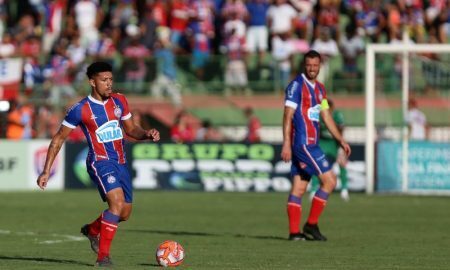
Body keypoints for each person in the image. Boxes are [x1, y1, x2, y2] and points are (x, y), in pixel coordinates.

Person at [36, 62, 160, 267]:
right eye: (104, 80)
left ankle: (92, 230)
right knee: (116, 205)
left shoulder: (120, 101)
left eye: (111, 79)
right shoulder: (80, 109)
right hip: (99, 162)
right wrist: (46, 171)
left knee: (124, 213)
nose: (109, 84)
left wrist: (146, 134)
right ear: (92, 82)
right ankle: (103, 257)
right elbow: (58, 139)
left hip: (121, 162)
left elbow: (131, 129)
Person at [281, 50, 351, 241]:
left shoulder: (320, 89)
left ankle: (295, 233)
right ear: (304, 65)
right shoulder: (296, 86)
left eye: (315, 65)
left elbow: (326, 116)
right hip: (304, 144)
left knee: (299, 188)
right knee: (330, 181)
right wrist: (286, 143)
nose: (312, 68)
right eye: (309, 65)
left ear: (320, 66)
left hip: (310, 144)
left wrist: (340, 140)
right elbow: (287, 115)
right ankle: (311, 224)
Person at [309, 99, 350, 202]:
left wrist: (341, 143)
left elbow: (341, 128)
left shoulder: (337, 115)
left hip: (335, 143)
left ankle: (344, 190)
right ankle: (314, 189)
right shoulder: (318, 115)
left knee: (342, 163)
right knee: (316, 165)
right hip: (322, 143)